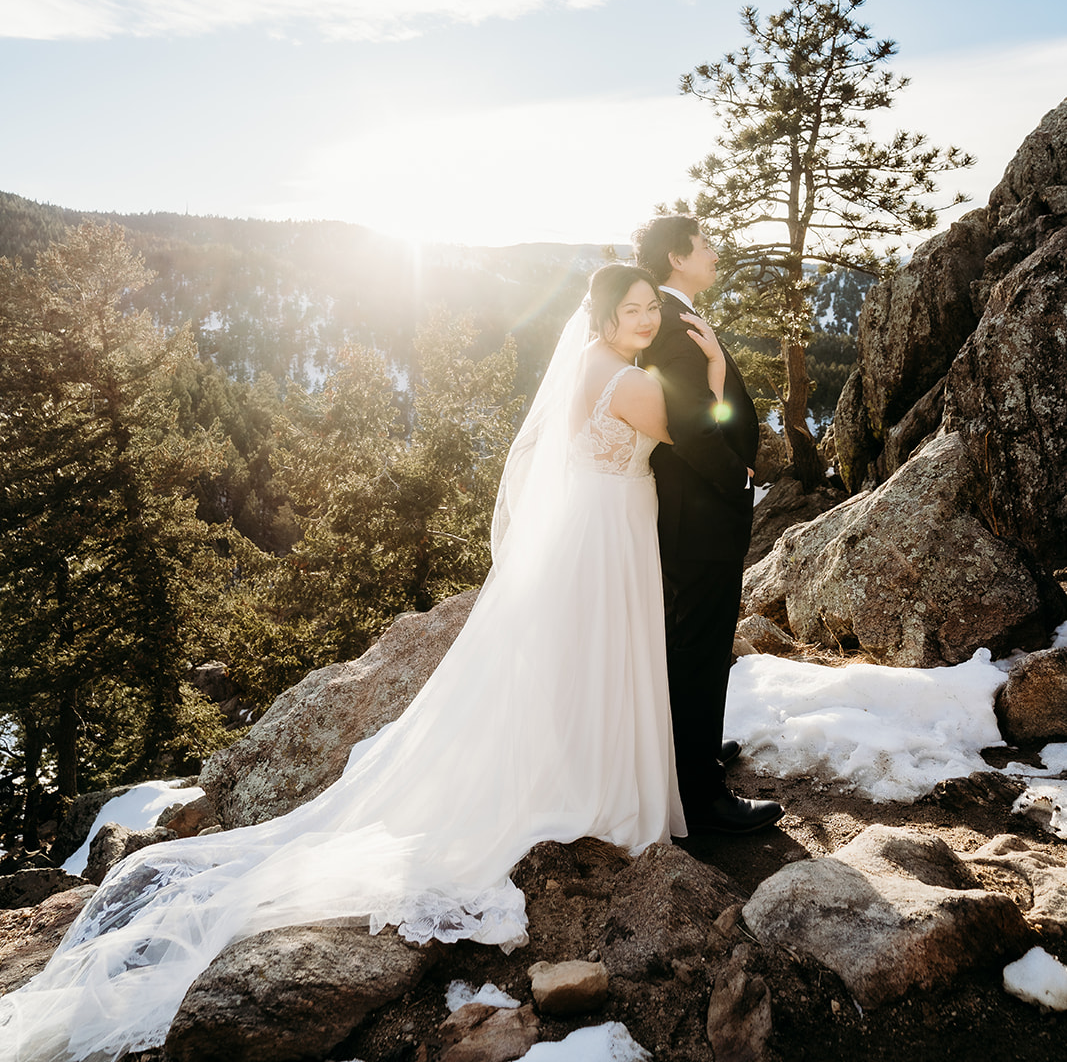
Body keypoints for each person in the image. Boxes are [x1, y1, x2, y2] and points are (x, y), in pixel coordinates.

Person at [0, 265, 711, 1062]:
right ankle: (598, 792)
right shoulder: (625, 379)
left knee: (582, 659)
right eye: (633, 309)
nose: (646, 319)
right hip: (607, 531)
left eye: (653, 307)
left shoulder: (591, 363)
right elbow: (702, 429)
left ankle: (583, 772)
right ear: (605, 315)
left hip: (593, 524)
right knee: (599, 656)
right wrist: (712, 366)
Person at [634, 215, 784, 837]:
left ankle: (691, 750)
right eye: (706, 244)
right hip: (699, 514)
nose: (717, 252)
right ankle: (698, 797)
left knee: (692, 642)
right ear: (677, 255)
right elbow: (693, 425)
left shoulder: (673, 315)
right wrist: (738, 481)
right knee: (698, 647)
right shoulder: (671, 327)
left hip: (697, 510)